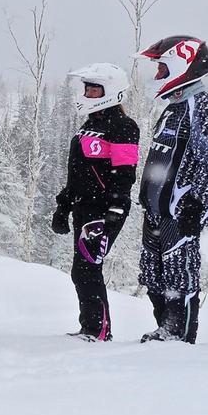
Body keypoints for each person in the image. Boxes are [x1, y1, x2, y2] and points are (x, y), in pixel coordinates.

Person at [134, 35, 208, 344]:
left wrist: (196, 204)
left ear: (182, 65)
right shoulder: (173, 108)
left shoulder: (204, 109)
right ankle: (164, 328)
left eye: (162, 68)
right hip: (155, 210)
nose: (158, 76)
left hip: (181, 213)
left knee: (180, 276)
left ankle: (179, 337)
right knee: (153, 276)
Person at [51, 63, 140, 342]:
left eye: (93, 89)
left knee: (87, 267)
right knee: (82, 269)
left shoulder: (123, 126)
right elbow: (76, 172)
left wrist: (115, 205)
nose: (87, 94)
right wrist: (63, 206)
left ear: (110, 91)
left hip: (104, 209)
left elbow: (125, 171)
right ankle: (90, 327)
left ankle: (97, 330)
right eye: (86, 88)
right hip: (83, 206)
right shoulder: (89, 125)